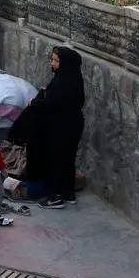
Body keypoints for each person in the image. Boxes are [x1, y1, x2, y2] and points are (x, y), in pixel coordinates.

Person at [26, 46, 86, 209]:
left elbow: (55, 104)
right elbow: (76, 101)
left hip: (61, 126)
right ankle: (68, 193)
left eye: (56, 61)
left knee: (56, 160)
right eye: (52, 60)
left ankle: (56, 197)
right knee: (68, 159)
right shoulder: (75, 77)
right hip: (74, 123)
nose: (52, 63)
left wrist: (34, 102)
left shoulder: (62, 81)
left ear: (65, 63)